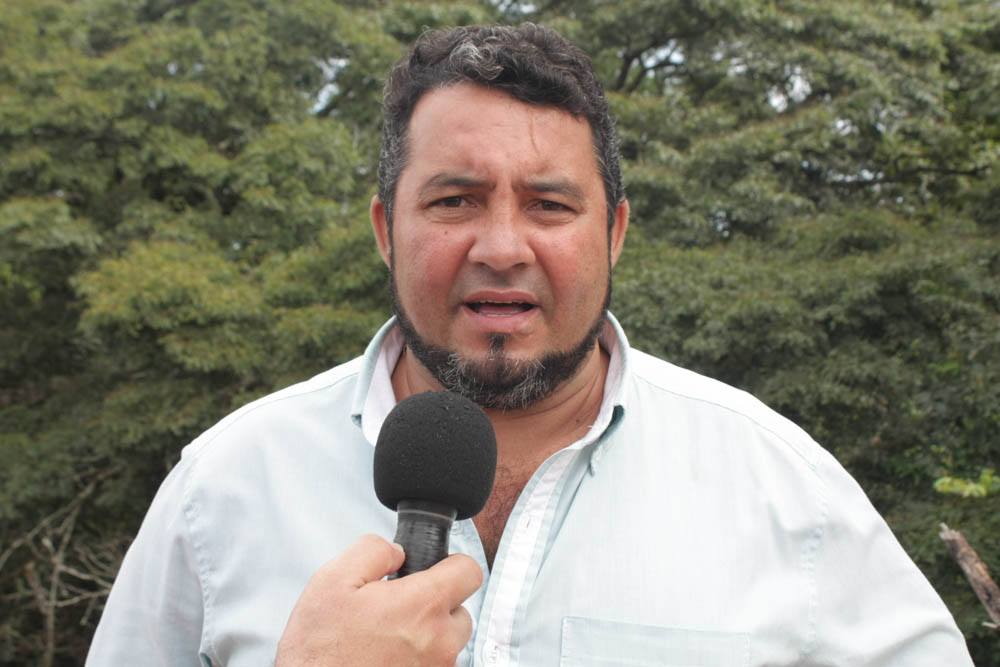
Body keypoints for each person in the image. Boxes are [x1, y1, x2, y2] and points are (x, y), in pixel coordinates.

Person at [87, 23, 974, 667]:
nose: (503, 246)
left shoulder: (784, 487)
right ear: (386, 230)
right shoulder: (222, 489)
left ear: (614, 233)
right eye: (454, 201)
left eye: (550, 205)